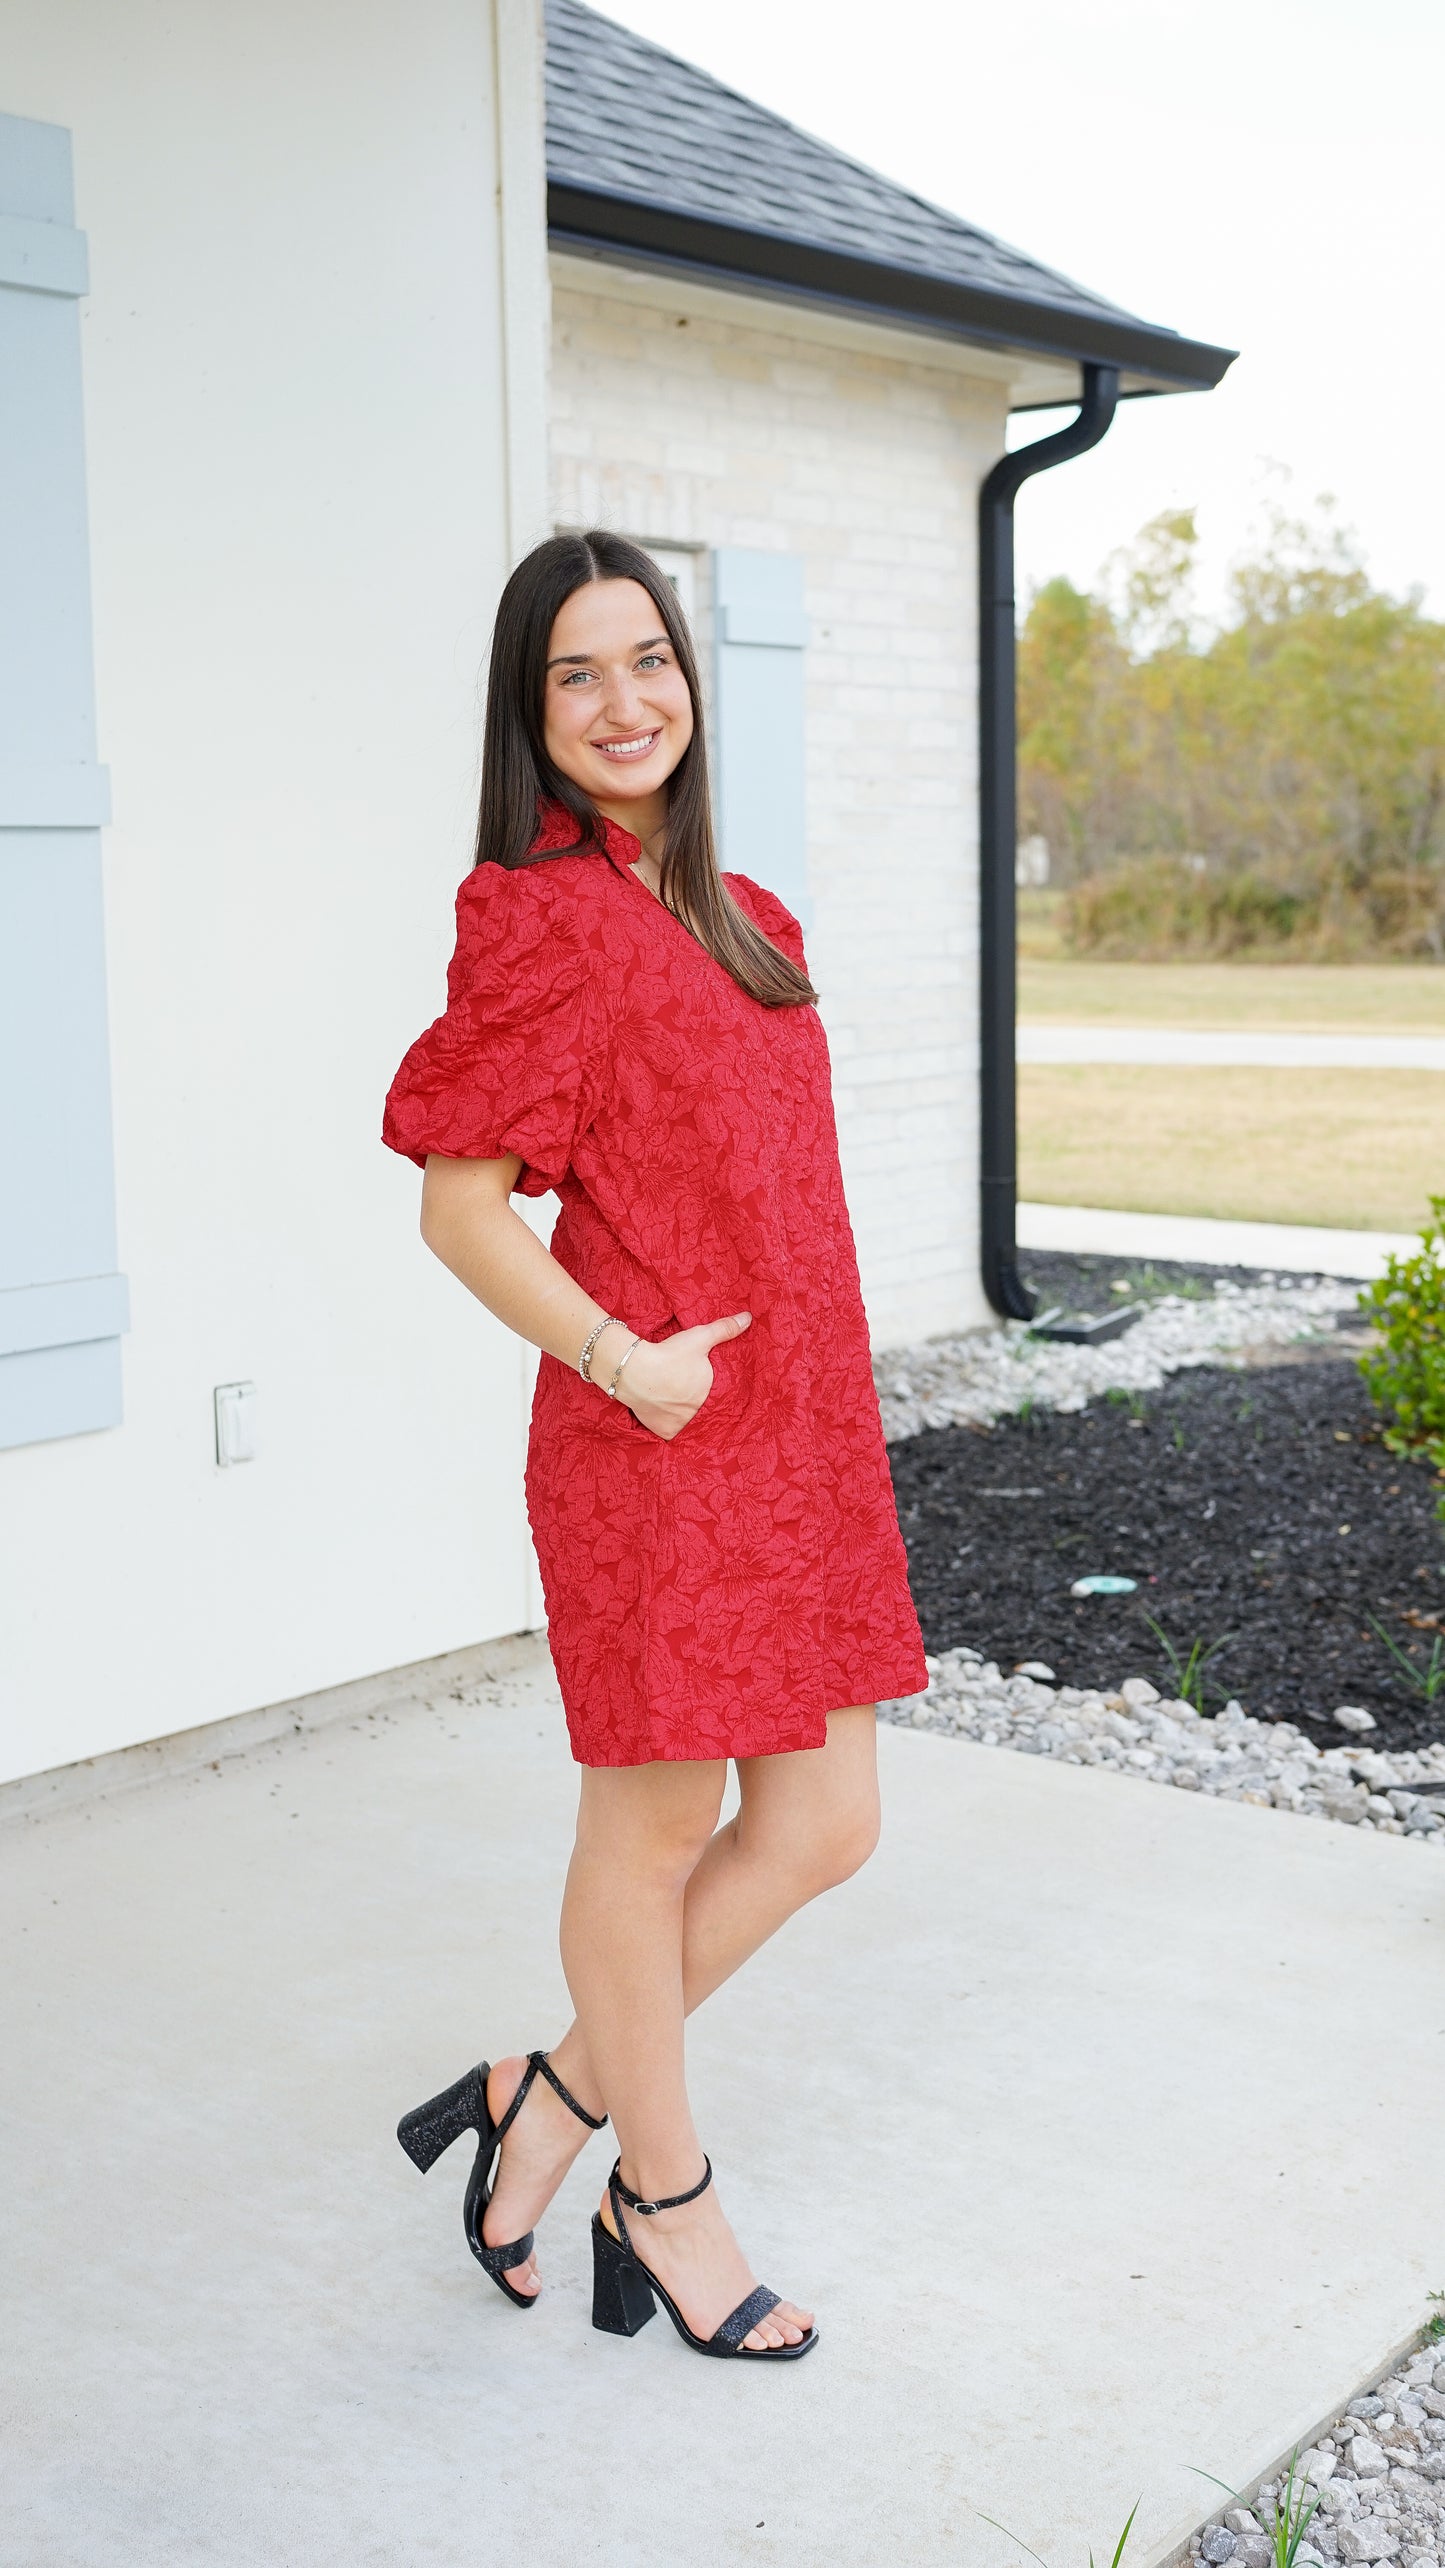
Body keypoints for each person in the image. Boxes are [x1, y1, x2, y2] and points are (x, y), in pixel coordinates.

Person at [383, 530, 926, 2363]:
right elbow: (463, 1213)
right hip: (659, 1437)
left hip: (803, 1443)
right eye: (575, 676)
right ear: (528, 715)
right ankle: (665, 2195)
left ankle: (544, 2100)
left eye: (647, 662)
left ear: (690, 680)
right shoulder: (533, 916)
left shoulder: (750, 911)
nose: (624, 705)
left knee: (828, 1821)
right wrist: (627, 1361)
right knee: (657, 1825)